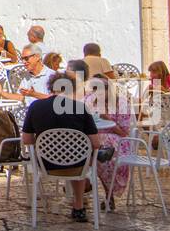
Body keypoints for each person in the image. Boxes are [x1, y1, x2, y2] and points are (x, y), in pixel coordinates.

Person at [21, 72, 101, 222]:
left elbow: (26, 139)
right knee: (82, 155)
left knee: (76, 154)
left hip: (47, 164)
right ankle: (78, 207)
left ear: (50, 87)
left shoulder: (36, 106)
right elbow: (96, 143)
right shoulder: (79, 107)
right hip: (77, 165)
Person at [84, 73, 131, 211]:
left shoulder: (121, 103)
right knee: (80, 147)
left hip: (116, 138)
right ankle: (82, 184)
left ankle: (106, 194)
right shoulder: (87, 100)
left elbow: (123, 132)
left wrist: (108, 120)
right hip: (92, 136)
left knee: (103, 151)